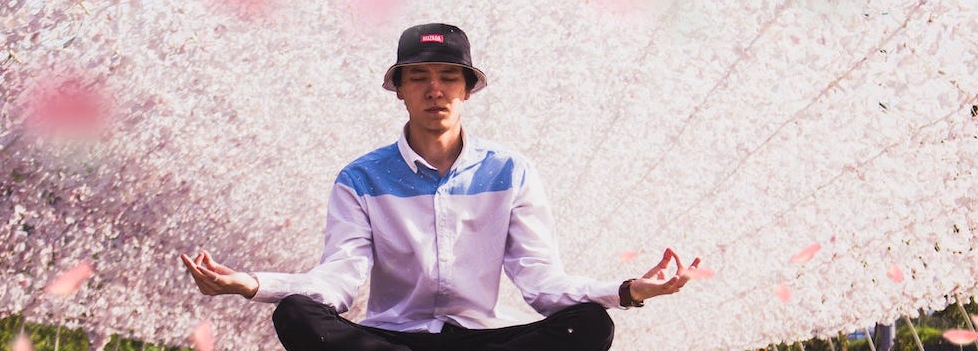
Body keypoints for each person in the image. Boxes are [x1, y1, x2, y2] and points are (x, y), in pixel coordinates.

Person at [181, 23, 701, 351]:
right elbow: (338, 282)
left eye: (450, 77)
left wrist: (628, 291)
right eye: (420, 78)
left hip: (486, 340)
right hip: (389, 342)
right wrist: (250, 284)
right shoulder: (360, 179)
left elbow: (541, 283)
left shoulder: (510, 171)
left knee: (588, 325)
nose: (435, 90)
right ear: (400, 91)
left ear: (468, 89)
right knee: (296, 314)